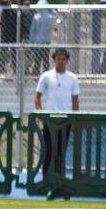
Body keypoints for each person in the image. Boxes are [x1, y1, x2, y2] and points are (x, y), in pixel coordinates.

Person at [34, 48, 81, 176]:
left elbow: (75, 101)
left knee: (61, 151)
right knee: (48, 150)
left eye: (63, 59)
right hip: (50, 120)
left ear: (66, 61)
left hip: (66, 120)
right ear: (54, 60)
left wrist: (74, 120)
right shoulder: (46, 76)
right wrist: (41, 115)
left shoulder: (72, 78)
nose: (61, 61)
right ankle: (46, 180)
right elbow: (37, 98)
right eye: (58, 59)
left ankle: (59, 180)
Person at [28, 0, 57, 74]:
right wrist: (52, 10)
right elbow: (56, 16)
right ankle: (45, 74)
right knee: (45, 60)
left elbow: (32, 30)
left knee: (37, 59)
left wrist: (31, 41)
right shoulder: (50, 17)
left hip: (37, 42)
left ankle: (35, 74)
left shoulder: (36, 17)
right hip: (46, 41)